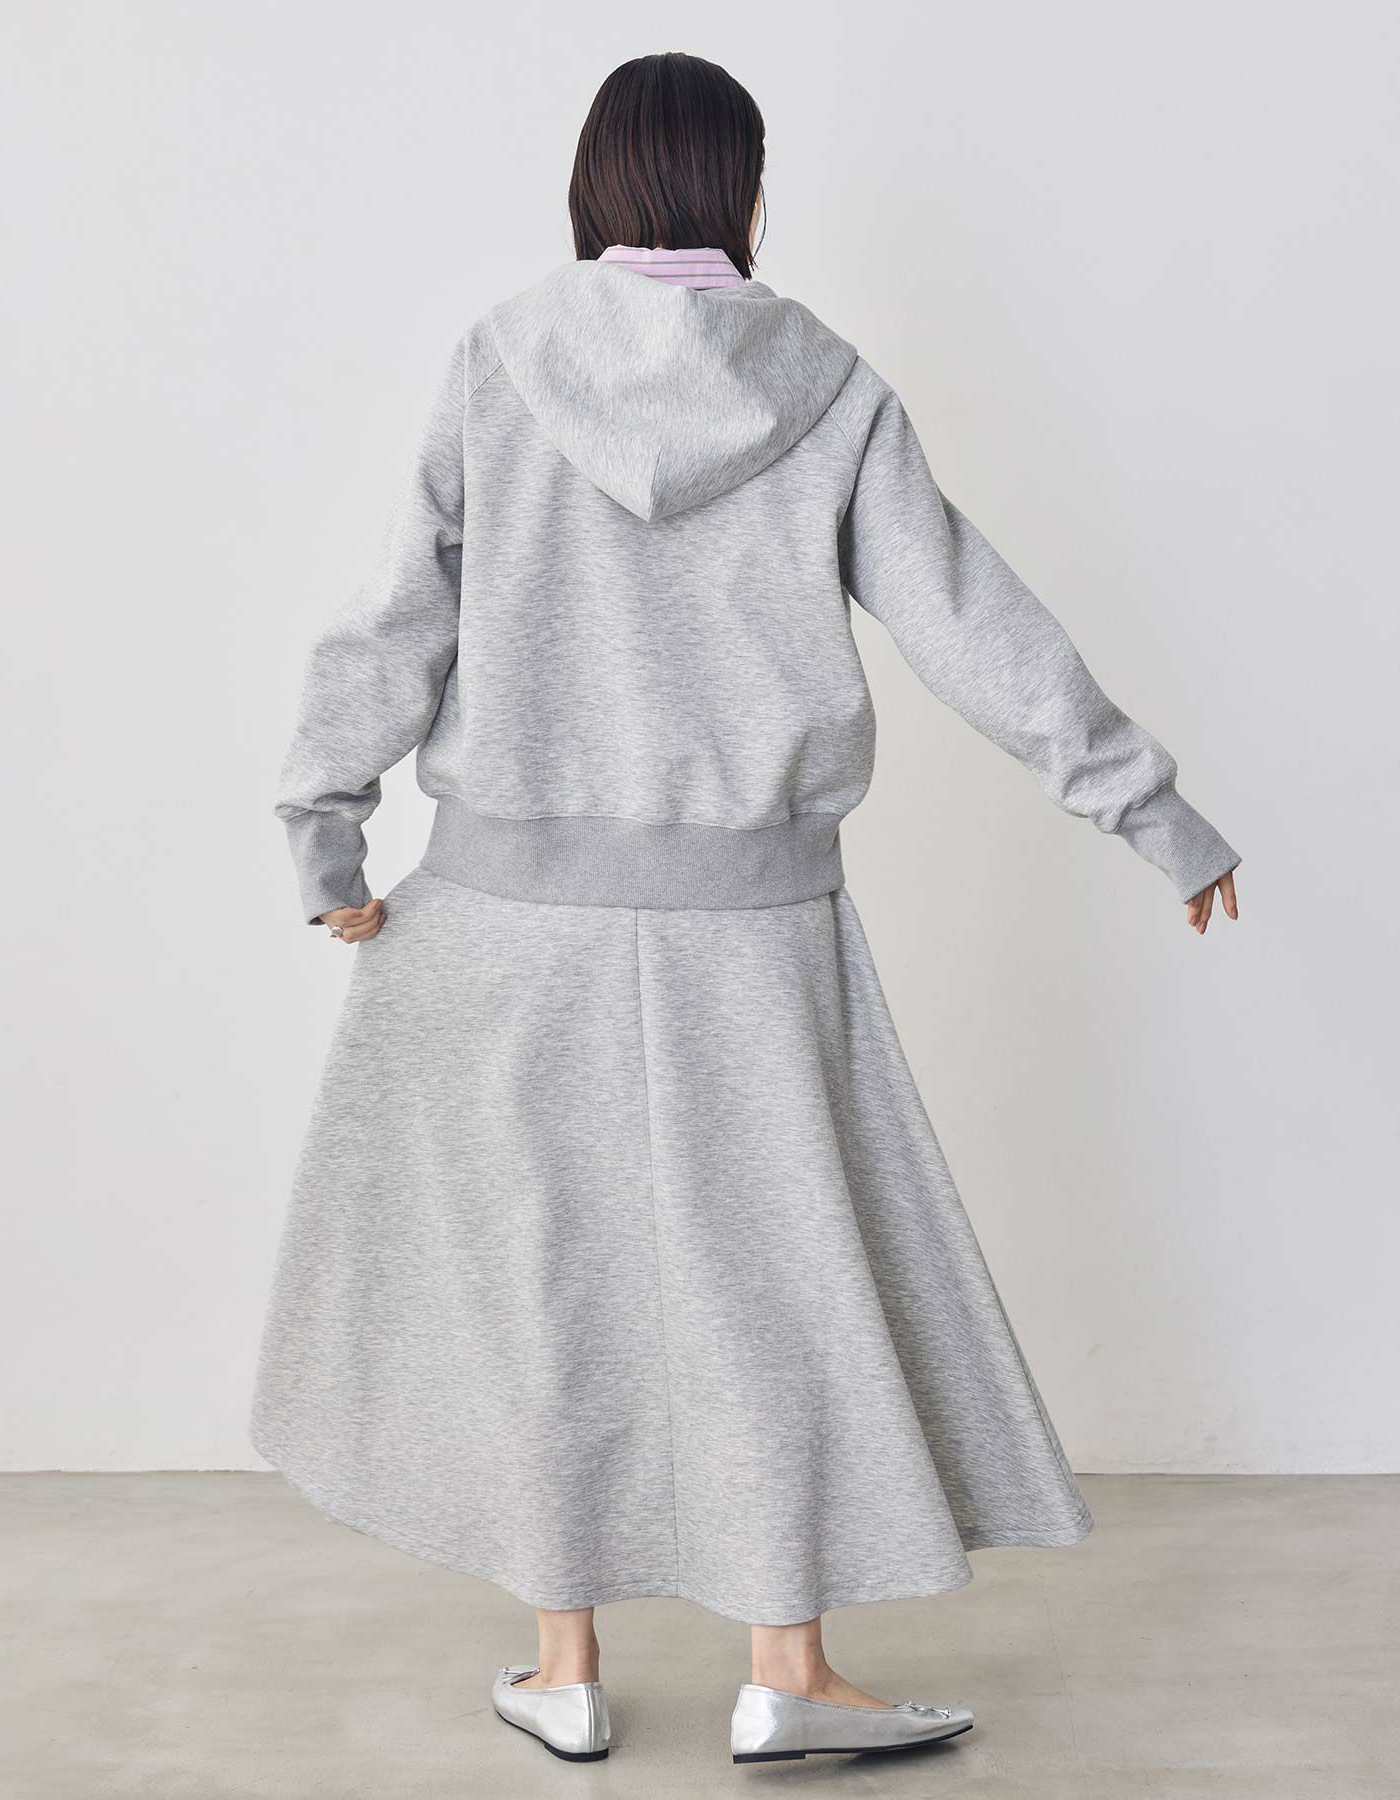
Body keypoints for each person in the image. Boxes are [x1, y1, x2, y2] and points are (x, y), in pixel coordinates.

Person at [252, 50, 1240, 1769]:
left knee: (542, 1280)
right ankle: (788, 1669)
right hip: (751, 927)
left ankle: (563, 1666)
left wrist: (325, 833)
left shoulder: (501, 358)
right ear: (747, 194)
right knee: (779, 1288)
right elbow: (971, 623)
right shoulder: (827, 387)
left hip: (505, 914)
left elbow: (395, 618)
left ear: (594, 187)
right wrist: (1150, 811)